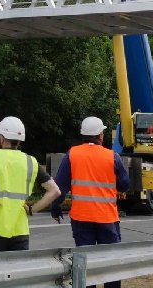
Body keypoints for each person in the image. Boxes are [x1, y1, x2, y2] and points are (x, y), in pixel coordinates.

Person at [50, 117, 131, 288]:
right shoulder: (112, 156)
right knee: (110, 263)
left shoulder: (72, 154)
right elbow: (125, 185)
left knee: (84, 263)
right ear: (100, 135)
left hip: (81, 218)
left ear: (83, 135)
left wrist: (55, 207)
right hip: (107, 218)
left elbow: (60, 187)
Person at [0, 116, 61, 253]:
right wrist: (32, 209)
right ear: (19, 141)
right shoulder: (31, 162)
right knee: (16, 272)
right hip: (20, 230)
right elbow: (55, 191)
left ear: (1, 138)